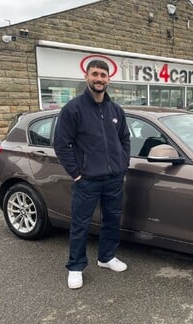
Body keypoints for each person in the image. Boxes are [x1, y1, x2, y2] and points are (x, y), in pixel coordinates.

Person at [54, 59, 131, 289]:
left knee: (112, 220)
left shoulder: (116, 110)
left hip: (113, 179)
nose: (99, 78)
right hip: (86, 180)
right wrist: (77, 174)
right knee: (80, 224)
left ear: (108, 79)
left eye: (103, 75)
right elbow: (61, 144)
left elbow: (125, 139)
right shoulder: (73, 109)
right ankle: (76, 267)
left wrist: (122, 164)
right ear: (87, 77)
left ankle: (106, 257)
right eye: (95, 74)